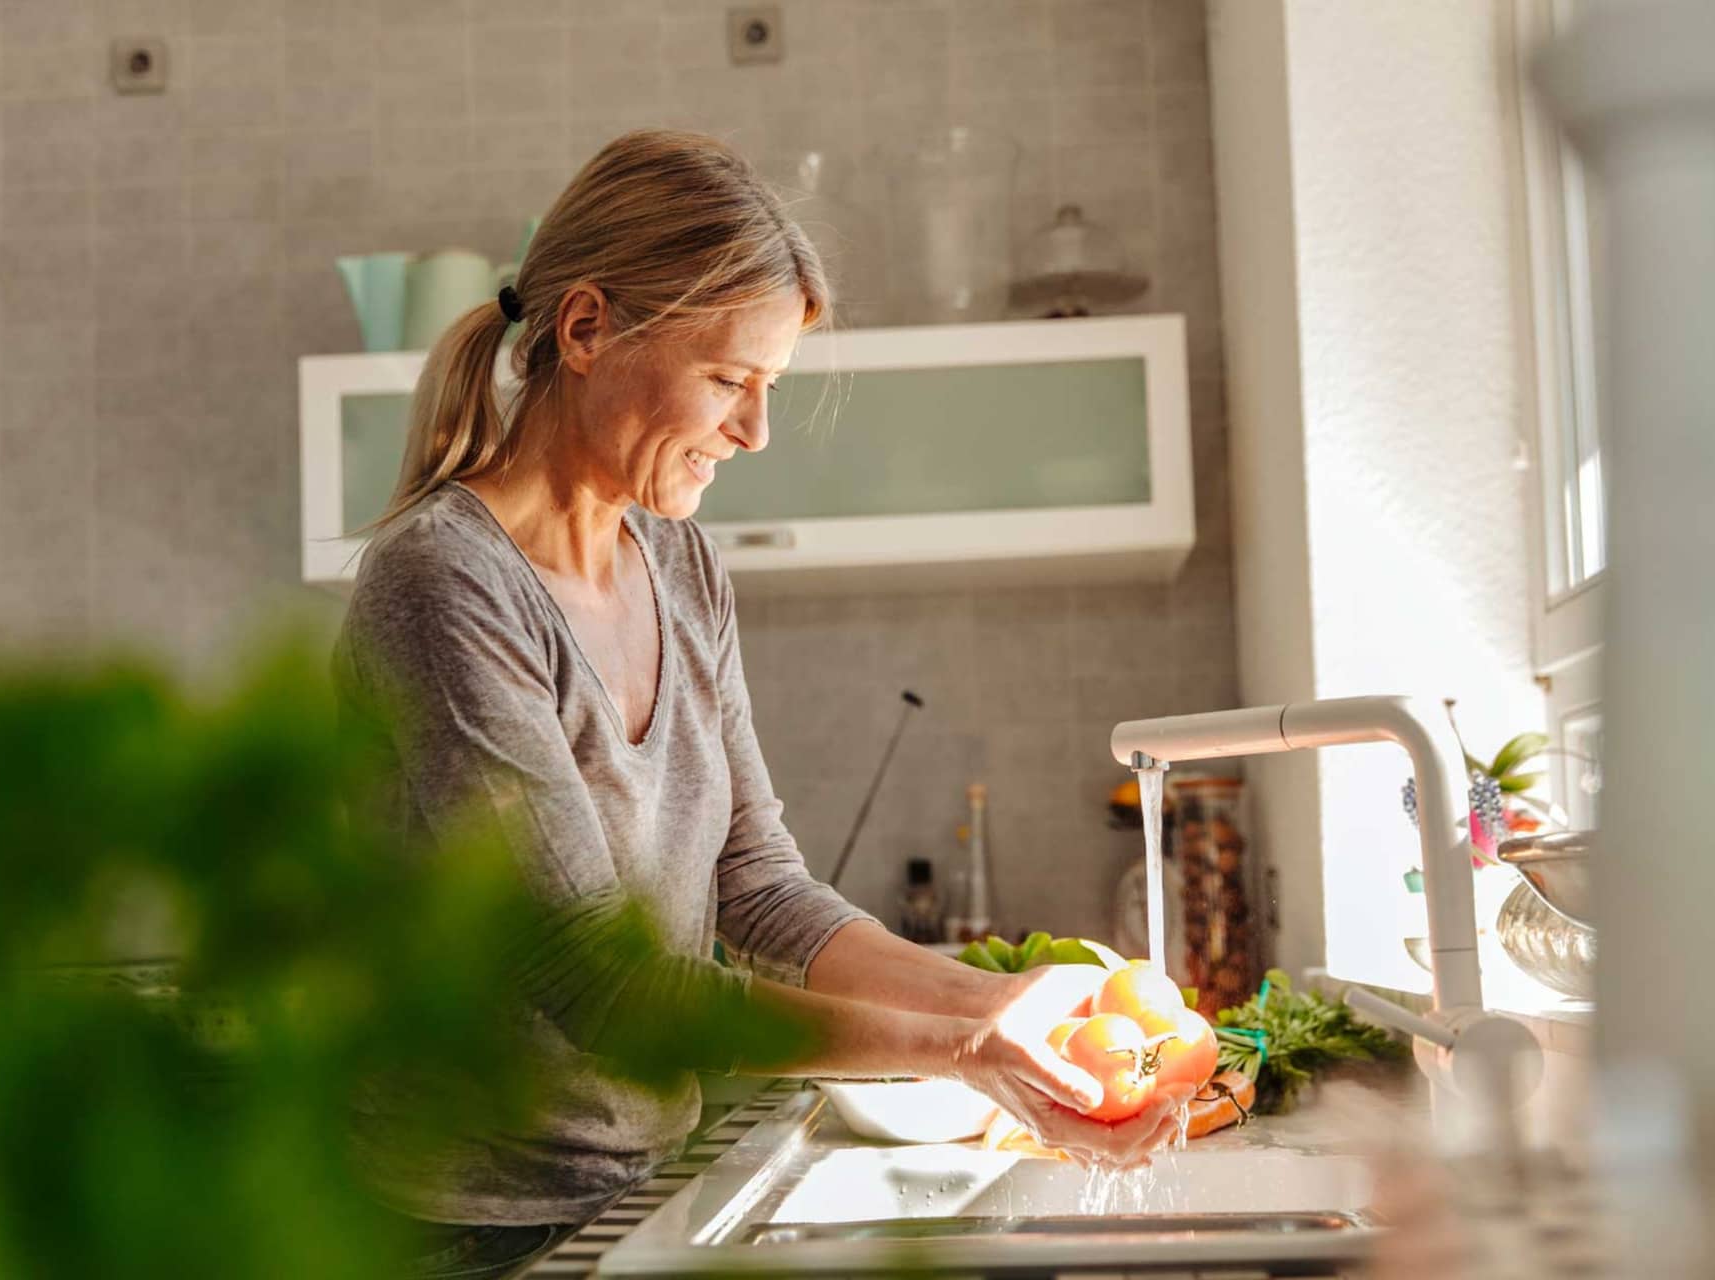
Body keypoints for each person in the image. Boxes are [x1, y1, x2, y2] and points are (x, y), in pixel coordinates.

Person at [333, 130, 1182, 1277]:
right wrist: (962, 1049)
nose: (754, 431)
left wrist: (1002, 1000)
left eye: (768, 387)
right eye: (730, 380)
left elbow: (759, 884)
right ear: (585, 330)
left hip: (638, 1194)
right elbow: (608, 986)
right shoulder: (443, 581)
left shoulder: (680, 568)